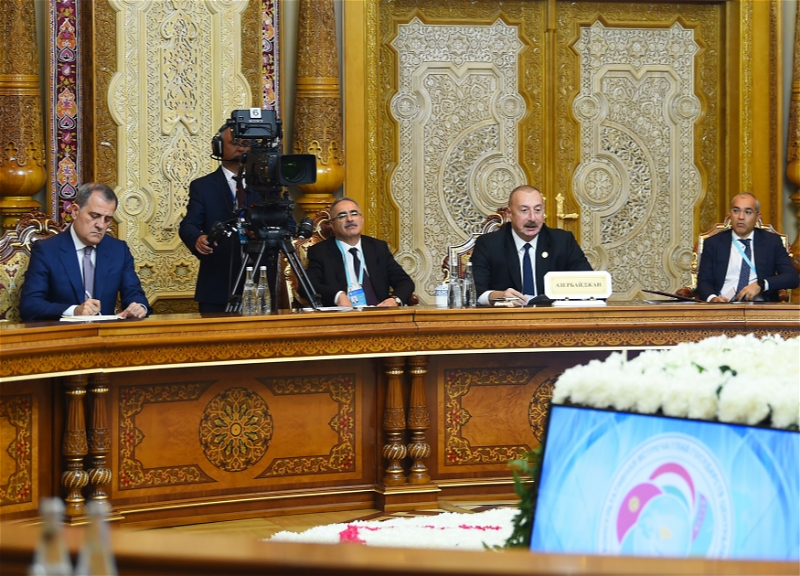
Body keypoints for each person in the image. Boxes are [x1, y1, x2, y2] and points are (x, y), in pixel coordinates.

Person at [19, 182, 149, 321]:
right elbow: (30, 305)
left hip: (106, 332)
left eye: (107, 219)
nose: (101, 225)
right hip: (64, 332)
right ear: (75, 211)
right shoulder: (47, 251)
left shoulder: (118, 251)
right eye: (94, 216)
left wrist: (138, 307)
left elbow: (134, 293)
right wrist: (74, 311)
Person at [470, 185, 592, 305]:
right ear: (509, 214)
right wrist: (498, 296)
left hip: (552, 315)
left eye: (537, 210)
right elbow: (474, 290)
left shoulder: (563, 241)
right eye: (524, 211)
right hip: (508, 316)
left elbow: (588, 283)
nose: (532, 218)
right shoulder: (489, 244)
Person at [179, 125, 248, 313]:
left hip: (261, 285)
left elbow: (288, 224)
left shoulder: (266, 186)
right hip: (217, 288)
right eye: (235, 143)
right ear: (218, 147)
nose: (241, 148)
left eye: (246, 143)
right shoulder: (203, 187)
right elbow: (189, 224)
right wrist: (197, 239)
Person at [306, 197, 415, 307]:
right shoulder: (320, 252)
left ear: (362, 219)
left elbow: (404, 281)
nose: (350, 219)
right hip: (344, 314)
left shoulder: (377, 248)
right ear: (332, 226)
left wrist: (395, 300)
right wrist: (337, 296)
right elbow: (307, 285)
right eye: (342, 216)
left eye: (354, 214)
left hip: (379, 313)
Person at [696, 193, 798, 302]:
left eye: (748, 212)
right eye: (736, 211)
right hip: (723, 305)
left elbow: (791, 278)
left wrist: (761, 284)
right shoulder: (713, 243)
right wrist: (713, 298)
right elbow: (704, 281)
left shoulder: (771, 242)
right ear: (730, 214)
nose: (741, 217)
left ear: (757, 216)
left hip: (760, 307)